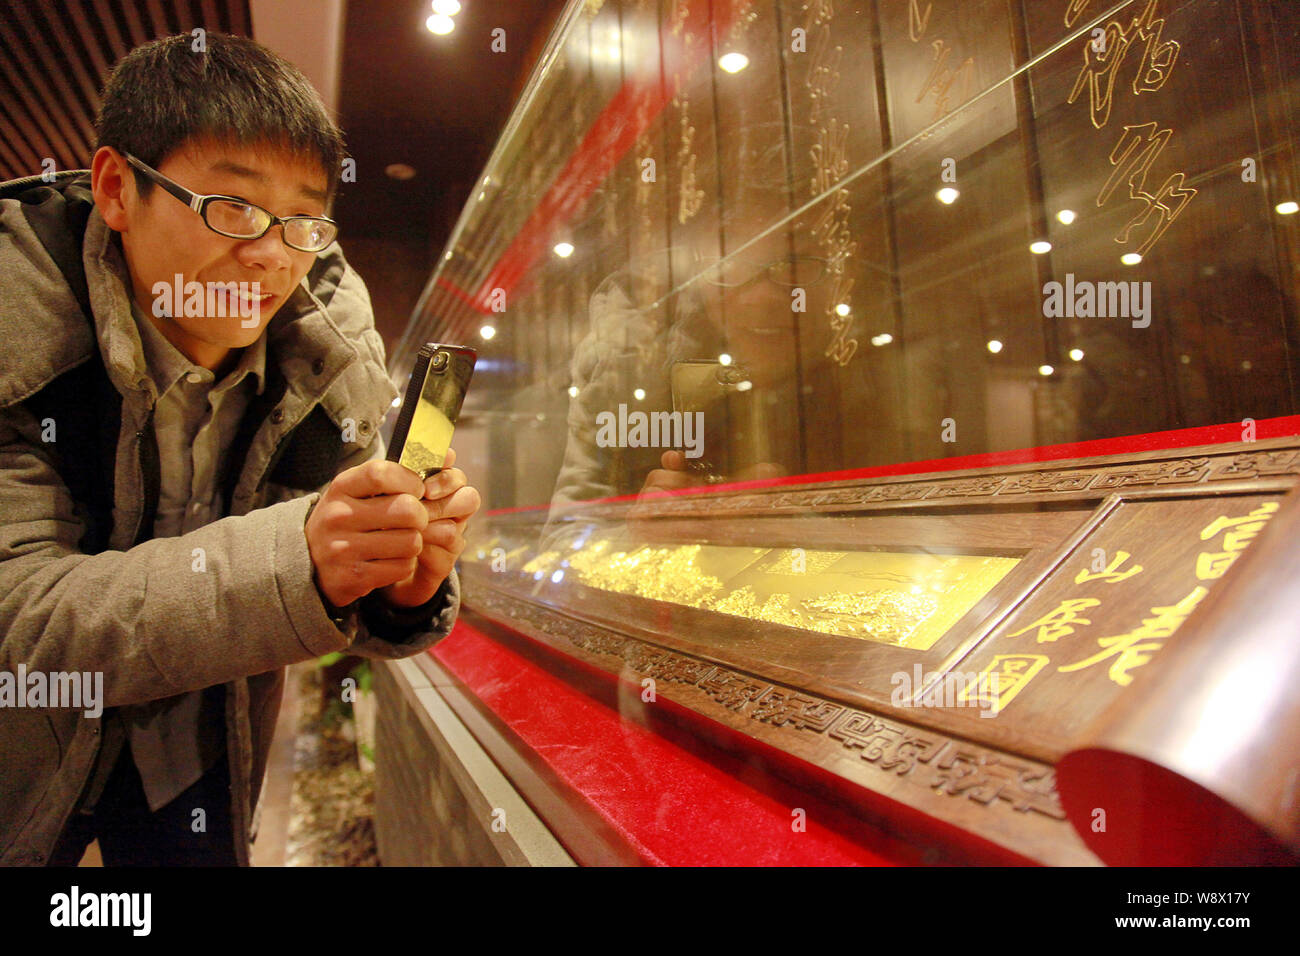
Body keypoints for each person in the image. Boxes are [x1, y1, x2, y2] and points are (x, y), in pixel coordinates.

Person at [0, 33, 480, 866]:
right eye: (232, 209)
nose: (269, 255)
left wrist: (396, 584)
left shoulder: (327, 347)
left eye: (303, 222)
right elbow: (19, 621)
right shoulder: (20, 318)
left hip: (207, 752)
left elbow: (337, 590)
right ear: (117, 188)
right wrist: (298, 559)